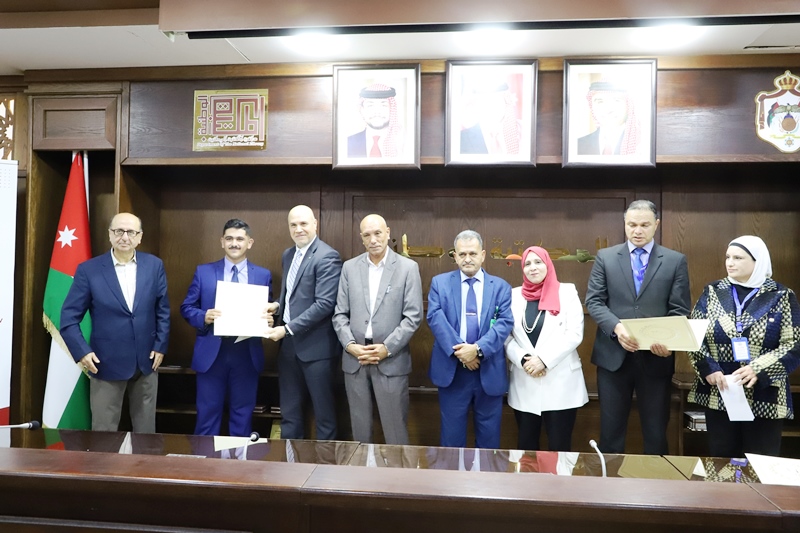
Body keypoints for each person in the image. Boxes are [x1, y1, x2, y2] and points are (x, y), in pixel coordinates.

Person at [586, 200, 690, 454]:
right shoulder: (606, 257)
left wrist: (669, 342)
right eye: (632, 225)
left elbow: (679, 309)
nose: (637, 231)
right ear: (624, 224)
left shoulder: (674, 261)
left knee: (656, 433)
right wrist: (617, 328)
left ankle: (655, 480)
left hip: (655, 358)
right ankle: (610, 479)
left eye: (644, 225)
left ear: (656, 225)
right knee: (610, 433)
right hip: (613, 358)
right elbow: (594, 301)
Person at [688, 235, 800, 458]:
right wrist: (709, 368)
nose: (730, 263)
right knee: (721, 462)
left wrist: (757, 369)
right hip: (721, 390)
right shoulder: (713, 291)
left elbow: (793, 344)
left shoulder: (781, 295)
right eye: (728, 257)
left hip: (765, 392)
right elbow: (693, 335)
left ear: (758, 261)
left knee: (760, 463)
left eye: (738, 258)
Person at [60, 212, 170, 433]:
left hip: (146, 363)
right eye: (119, 231)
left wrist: (160, 345)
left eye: (131, 232)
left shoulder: (154, 266)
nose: (124, 237)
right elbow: (68, 318)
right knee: (103, 434)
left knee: (146, 434)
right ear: (110, 234)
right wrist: (82, 352)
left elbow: (163, 310)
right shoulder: (89, 270)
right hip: (105, 363)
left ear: (140, 237)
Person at [332, 214, 423, 444]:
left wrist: (387, 348)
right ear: (361, 238)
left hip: (391, 360)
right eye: (367, 235)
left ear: (388, 233)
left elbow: (413, 316)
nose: (373, 240)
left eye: (377, 233)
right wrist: (350, 346)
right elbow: (340, 314)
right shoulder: (349, 268)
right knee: (360, 433)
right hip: (356, 360)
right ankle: (361, 470)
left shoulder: (407, 268)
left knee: (395, 433)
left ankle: (398, 471)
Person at [180, 219, 272, 437]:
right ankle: (203, 459)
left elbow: (269, 310)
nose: (234, 243)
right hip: (212, 354)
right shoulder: (203, 272)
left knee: (242, 416)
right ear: (222, 241)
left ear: (250, 243)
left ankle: (240, 460)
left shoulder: (263, 275)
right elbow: (186, 307)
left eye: (240, 239)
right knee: (207, 416)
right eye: (229, 238)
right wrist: (204, 316)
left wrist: (269, 320)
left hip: (246, 353)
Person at [427, 230, 514, 449]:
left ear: (483, 255)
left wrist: (477, 350)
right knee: (452, 439)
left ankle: (486, 474)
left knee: (489, 441)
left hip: (489, 371)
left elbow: (504, 322)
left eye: (473, 253)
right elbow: (435, 318)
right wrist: (463, 353)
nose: (467, 259)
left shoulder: (501, 287)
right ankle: (451, 474)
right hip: (453, 372)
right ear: (455, 256)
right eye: (462, 254)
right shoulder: (440, 283)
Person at [264, 205, 342, 440]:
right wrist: (277, 306)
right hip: (288, 349)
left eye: (303, 224)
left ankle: (325, 463)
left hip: (317, 350)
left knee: (324, 416)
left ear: (315, 224)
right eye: (293, 225)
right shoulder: (288, 255)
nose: (298, 229)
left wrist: (287, 329)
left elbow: (324, 304)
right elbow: (292, 294)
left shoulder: (327, 256)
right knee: (289, 414)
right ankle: (290, 462)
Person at [505, 246, 589, 451]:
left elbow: (574, 334)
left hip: (561, 383)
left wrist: (543, 360)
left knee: (559, 448)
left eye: (538, 262)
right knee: (526, 449)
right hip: (525, 379)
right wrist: (523, 359)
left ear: (548, 264)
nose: (533, 267)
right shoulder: (513, 296)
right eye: (527, 264)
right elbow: (505, 336)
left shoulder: (567, 292)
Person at [577, 80, 641, 156]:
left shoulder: (641, 144)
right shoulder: (578, 146)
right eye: (600, 102)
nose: (607, 110)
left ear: (628, 106)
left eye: (616, 100)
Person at [459, 80, 522, 155]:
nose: (492, 107)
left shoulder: (522, 133)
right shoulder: (461, 140)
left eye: (496, 100)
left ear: (506, 102)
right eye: (486, 101)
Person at [347, 84, 402, 159]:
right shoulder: (348, 143)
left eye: (383, 105)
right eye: (370, 105)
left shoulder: (404, 143)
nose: (377, 111)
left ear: (392, 109)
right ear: (362, 110)